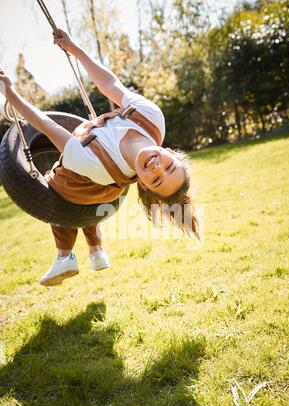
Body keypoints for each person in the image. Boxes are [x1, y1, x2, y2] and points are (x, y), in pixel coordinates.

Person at [0, 29, 200, 287]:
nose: (156, 167)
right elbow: (110, 85)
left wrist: (11, 94)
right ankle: (96, 252)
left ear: (144, 184)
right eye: (169, 165)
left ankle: (65, 256)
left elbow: (47, 126)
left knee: (57, 202)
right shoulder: (151, 118)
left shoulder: (89, 162)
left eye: (157, 180)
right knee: (89, 214)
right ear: (170, 152)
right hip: (105, 195)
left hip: (82, 180)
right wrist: (74, 49)